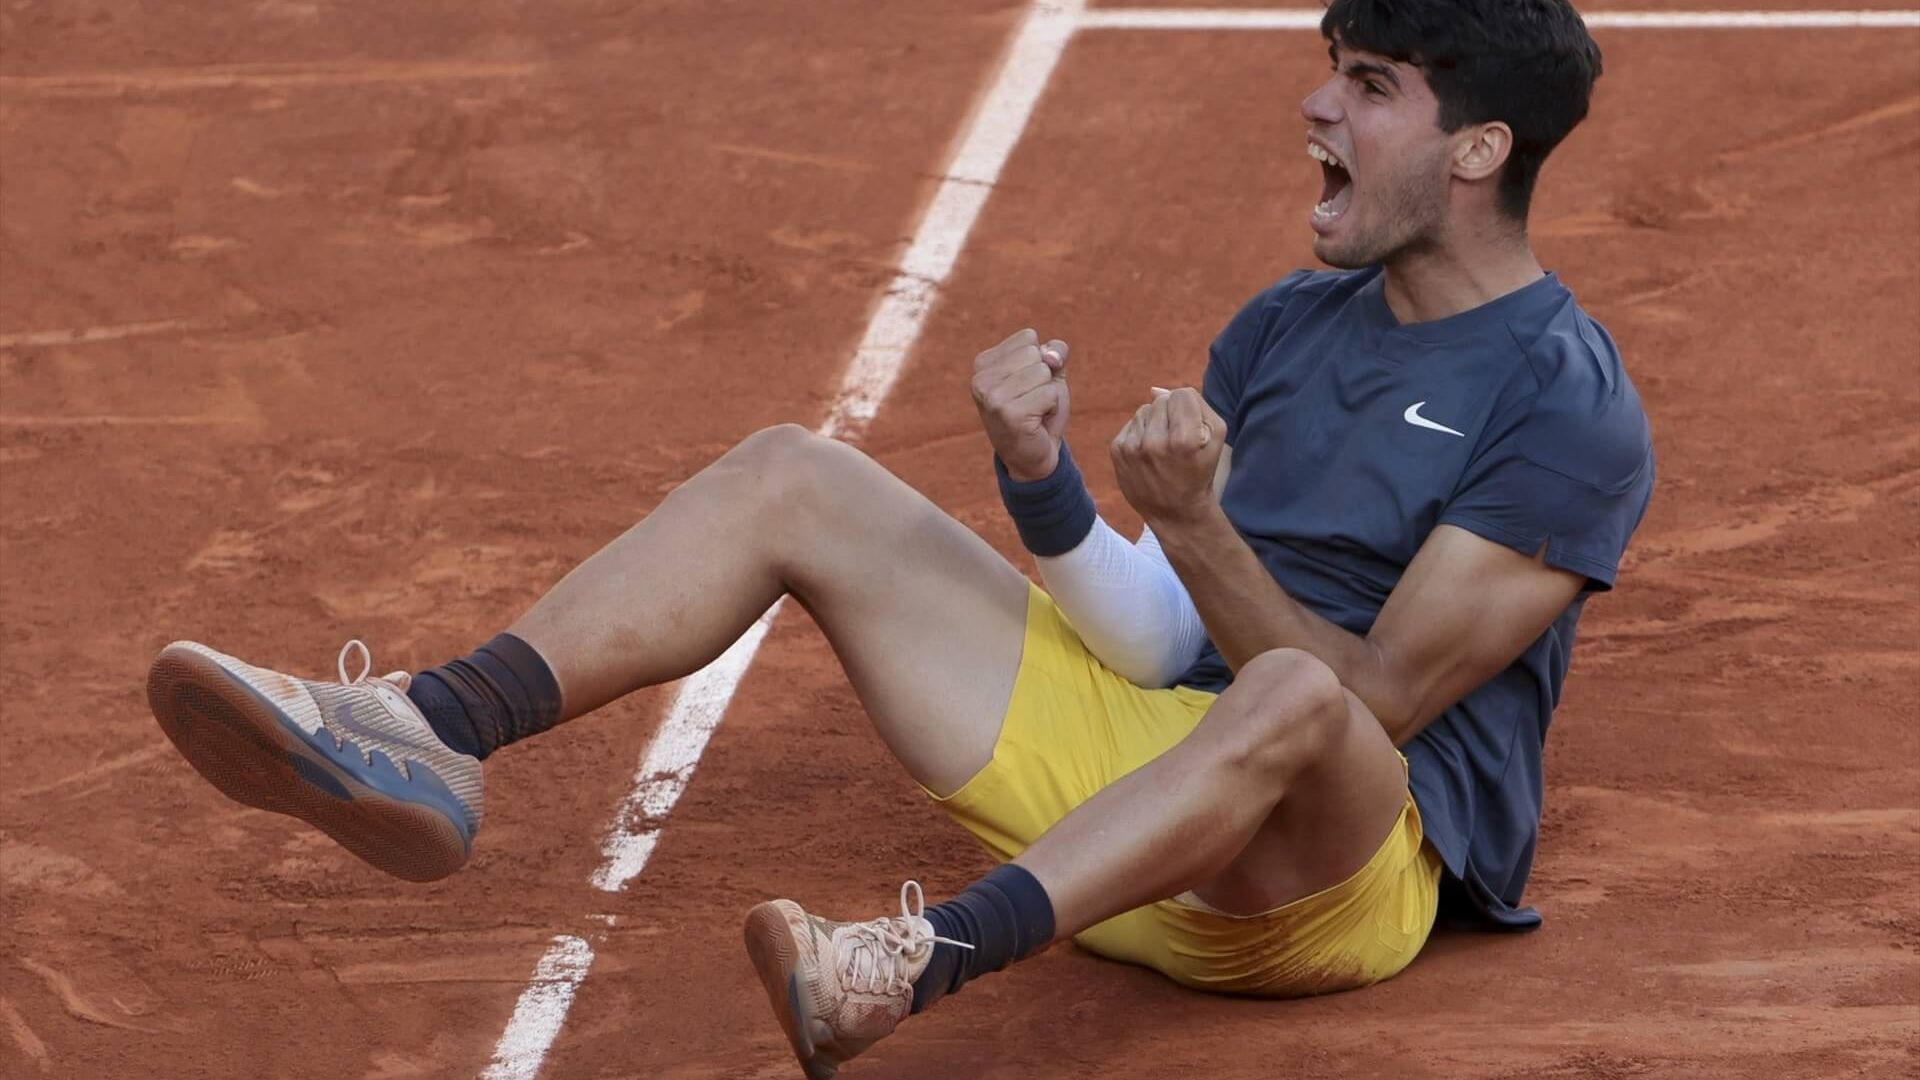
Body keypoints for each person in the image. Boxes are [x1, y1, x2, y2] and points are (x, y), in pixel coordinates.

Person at [144, 1, 1654, 1075]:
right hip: (1144, 823)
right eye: (1332, 70)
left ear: (1477, 152)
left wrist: (1199, 523)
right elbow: (1155, 641)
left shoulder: (1563, 404)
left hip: (1322, 888)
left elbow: (1376, 706)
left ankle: (907, 966)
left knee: (1296, 696)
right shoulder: (1285, 325)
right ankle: (427, 728)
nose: (1320, 107)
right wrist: (1045, 478)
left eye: (1371, 84)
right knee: (796, 471)